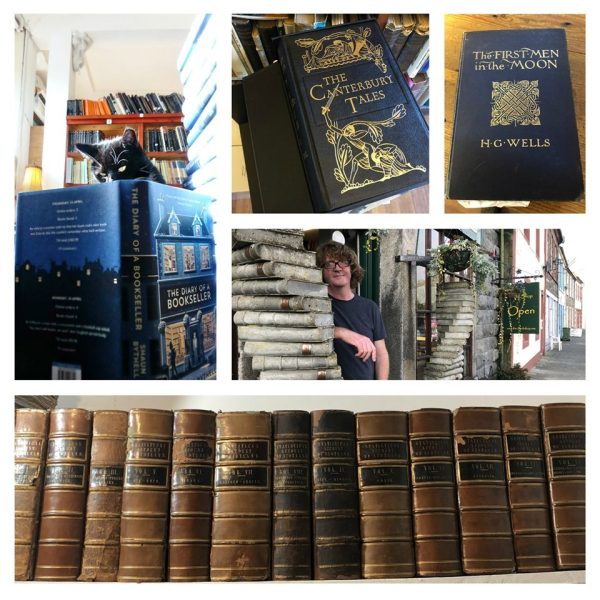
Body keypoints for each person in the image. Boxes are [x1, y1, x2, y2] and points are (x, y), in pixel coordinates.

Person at [316, 241, 389, 380]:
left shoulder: (370, 307)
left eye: (343, 262)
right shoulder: (316, 304)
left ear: (352, 268)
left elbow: (381, 354)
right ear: (322, 272)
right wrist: (342, 333)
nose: (337, 268)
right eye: (329, 264)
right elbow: (304, 333)